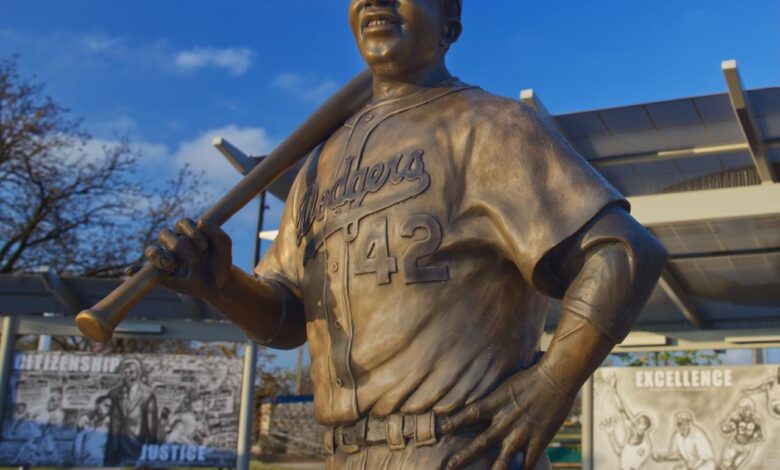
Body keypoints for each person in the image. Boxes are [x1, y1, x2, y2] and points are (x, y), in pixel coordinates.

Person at [142, 1, 666, 468]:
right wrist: (220, 285)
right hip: (342, 455)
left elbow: (622, 253)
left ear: (449, 25)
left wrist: (554, 381)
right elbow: (289, 320)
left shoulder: (489, 126)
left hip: (459, 449)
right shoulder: (317, 166)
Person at [105, 358, 158, 466]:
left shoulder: (147, 394)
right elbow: (105, 412)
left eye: (131, 372)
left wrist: (150, 448)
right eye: (125, 372)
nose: (128, 375)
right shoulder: (113, 393)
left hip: (137, 441)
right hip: (116, 443)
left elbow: (151, 425)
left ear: (139, 372)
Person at [600, 374, 653, 470]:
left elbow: (633, 467)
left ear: (645, 427)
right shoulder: (633, 436)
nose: (635, 422)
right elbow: (619, 451)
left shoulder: (644, 446)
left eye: (639, 422)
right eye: (637, 420)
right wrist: (611, 432)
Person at [718, 397, 763, 470]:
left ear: (752, 408)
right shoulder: (735, 416)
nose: (745, 411)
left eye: (747, 408)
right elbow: (728, 428)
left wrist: (756, 436)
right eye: (743, 408)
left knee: (735, 466)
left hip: (747, 447)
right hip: (734, 444)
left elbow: (760, 434)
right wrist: (727, 427)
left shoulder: (756, 418)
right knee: (725, 464)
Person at [72, 395, 113, 466]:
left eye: (110, 407)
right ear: (97, 404)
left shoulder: (110, 422)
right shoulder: (86, 419)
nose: (108, 408)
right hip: (83, 461)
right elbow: (78, 442)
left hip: (99, 461)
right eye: (106, 405)